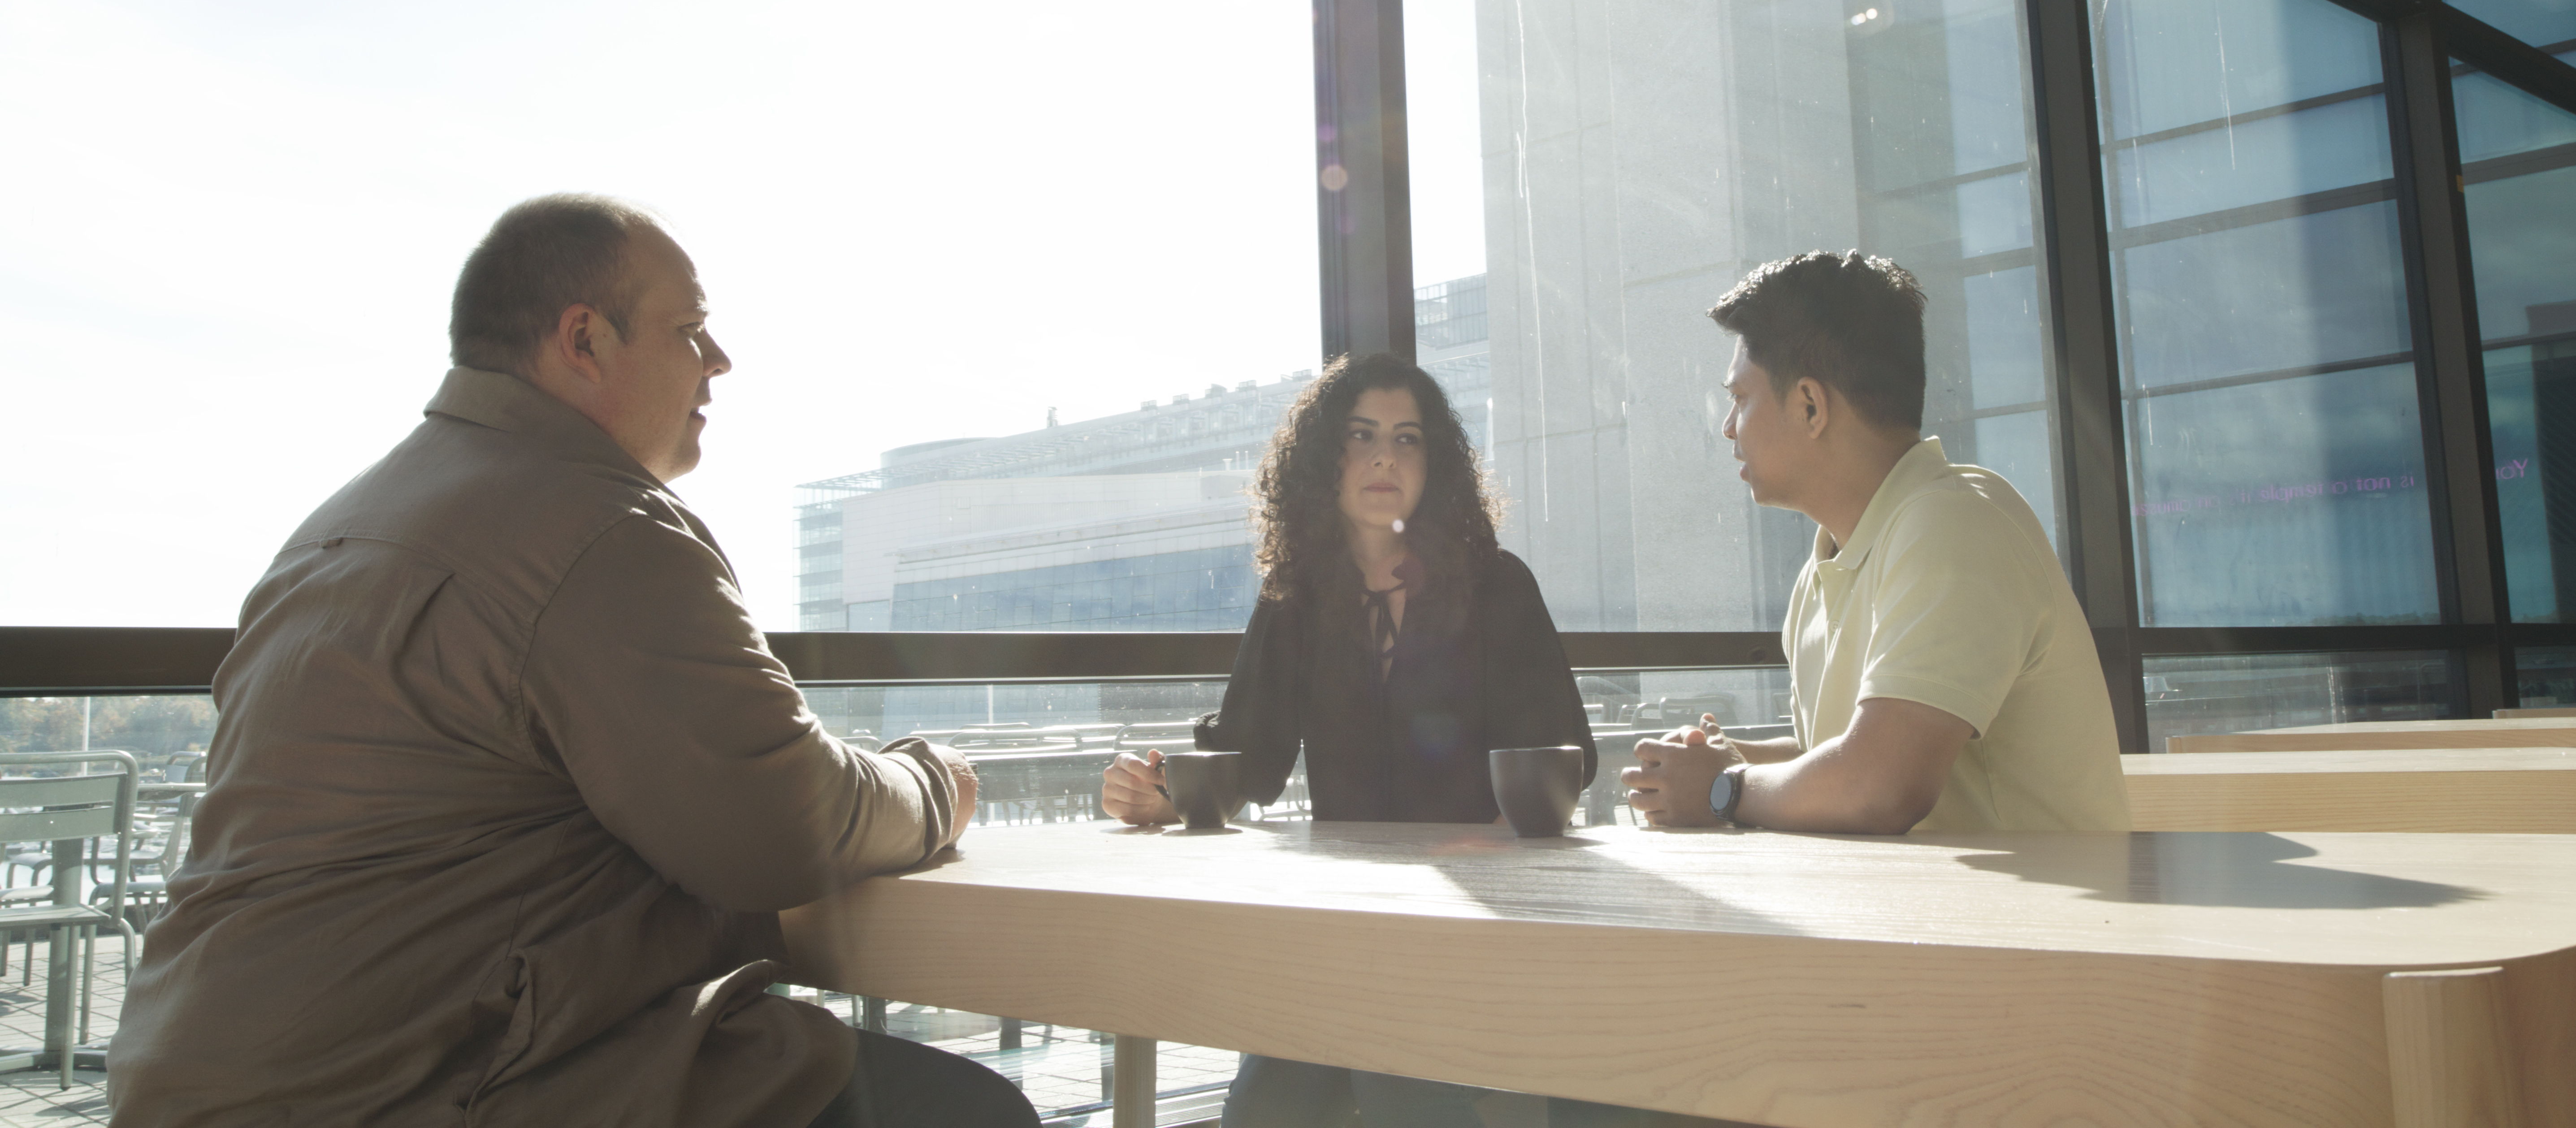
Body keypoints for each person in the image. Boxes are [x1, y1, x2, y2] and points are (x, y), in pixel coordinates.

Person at [108, 195, 1038, 1128]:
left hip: (203, 1080)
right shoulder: (597, 527)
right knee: (965, 1114)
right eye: (691, 330)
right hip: (419, 1088)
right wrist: (934, 781)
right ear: (584, 340)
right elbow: (782, 826)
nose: (719, 362)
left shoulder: (341, 528)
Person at [1098, 352, 1595, 1128]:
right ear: (1324, 459)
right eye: (1361, 436)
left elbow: (1566, 760)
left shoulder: (1497, 585)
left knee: (1401, 1090)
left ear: (1436, 463)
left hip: (1478, 919)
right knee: (1265, 1106)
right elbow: (1249, 766)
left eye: (1407, 439)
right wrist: (1160, 793)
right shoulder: (1296, 598)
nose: (1383, 458)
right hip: (1344, 922)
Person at [1622, 250, 2128, 835]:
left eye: (1739, 398)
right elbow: (1841, 756)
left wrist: (1722, 789)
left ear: (1811, 406)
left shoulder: (1956, 525)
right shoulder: (1824, 570)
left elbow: (1879, 786)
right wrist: (1716, 764)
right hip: (1922, 919)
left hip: (2045, 926)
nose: (1728, 428)